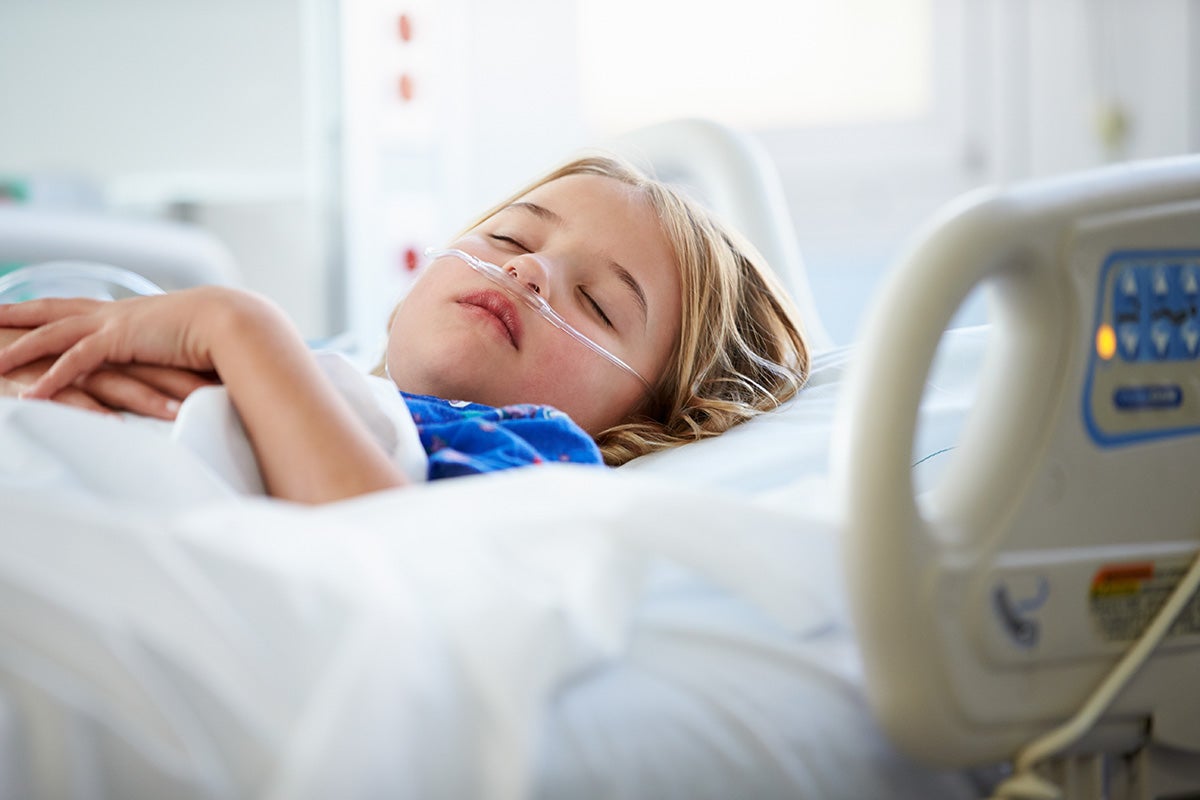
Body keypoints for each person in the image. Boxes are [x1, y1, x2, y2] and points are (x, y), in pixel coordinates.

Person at [0, 155, 809, 503]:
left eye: (598, 303)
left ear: (645, 421)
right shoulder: (327, 369)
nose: (529, 271)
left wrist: (237, 326)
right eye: (510, 240)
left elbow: (388, 548)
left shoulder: (532, 461)